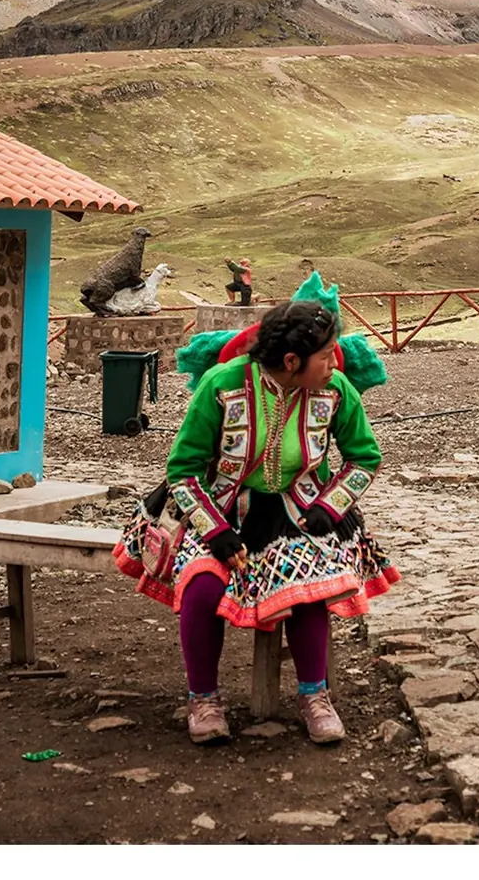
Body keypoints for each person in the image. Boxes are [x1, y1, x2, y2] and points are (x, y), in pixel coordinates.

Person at [113, 299, 399, 746]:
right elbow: (183, 469)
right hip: (218, 505)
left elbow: (364, 458)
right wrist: (216, 532)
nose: (333, 362)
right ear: (291, 361)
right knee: (202, 587)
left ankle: (314, 696)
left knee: (309, 588)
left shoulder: (336, 390)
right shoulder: (222, 386)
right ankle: (203, 699)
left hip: (302, 509)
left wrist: (331, 505)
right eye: (324, 355)